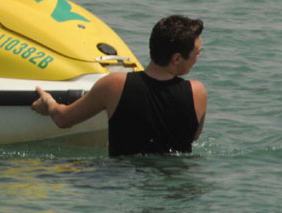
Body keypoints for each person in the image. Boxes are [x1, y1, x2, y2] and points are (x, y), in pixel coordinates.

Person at [31, 15, 207, 157]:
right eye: (197, 52)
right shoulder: (197, 92)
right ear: (176, 58)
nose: (198, 56)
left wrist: (49, 103)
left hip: (123, 183)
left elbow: (63, 119)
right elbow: (193, 137)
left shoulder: (114, 85)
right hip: (178, 187)